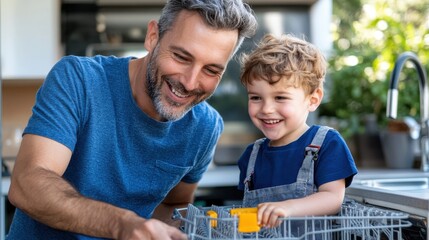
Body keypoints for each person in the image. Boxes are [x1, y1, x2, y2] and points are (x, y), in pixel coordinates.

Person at [6, 0, 257, 239]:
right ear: (153, 37)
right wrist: (123, 225)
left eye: (211, 70)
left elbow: (175, 203)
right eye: (181, 57)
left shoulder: (204, 127)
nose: (190, 82)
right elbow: (28, 182)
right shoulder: (78, 80)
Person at [237, 34, 358, 228]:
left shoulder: (327, 144)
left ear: (313, 99)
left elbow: (333, 199)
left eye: (280, 98)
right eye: (256, 98)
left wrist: (288, 208)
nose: (266, 108)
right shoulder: (251, 156)